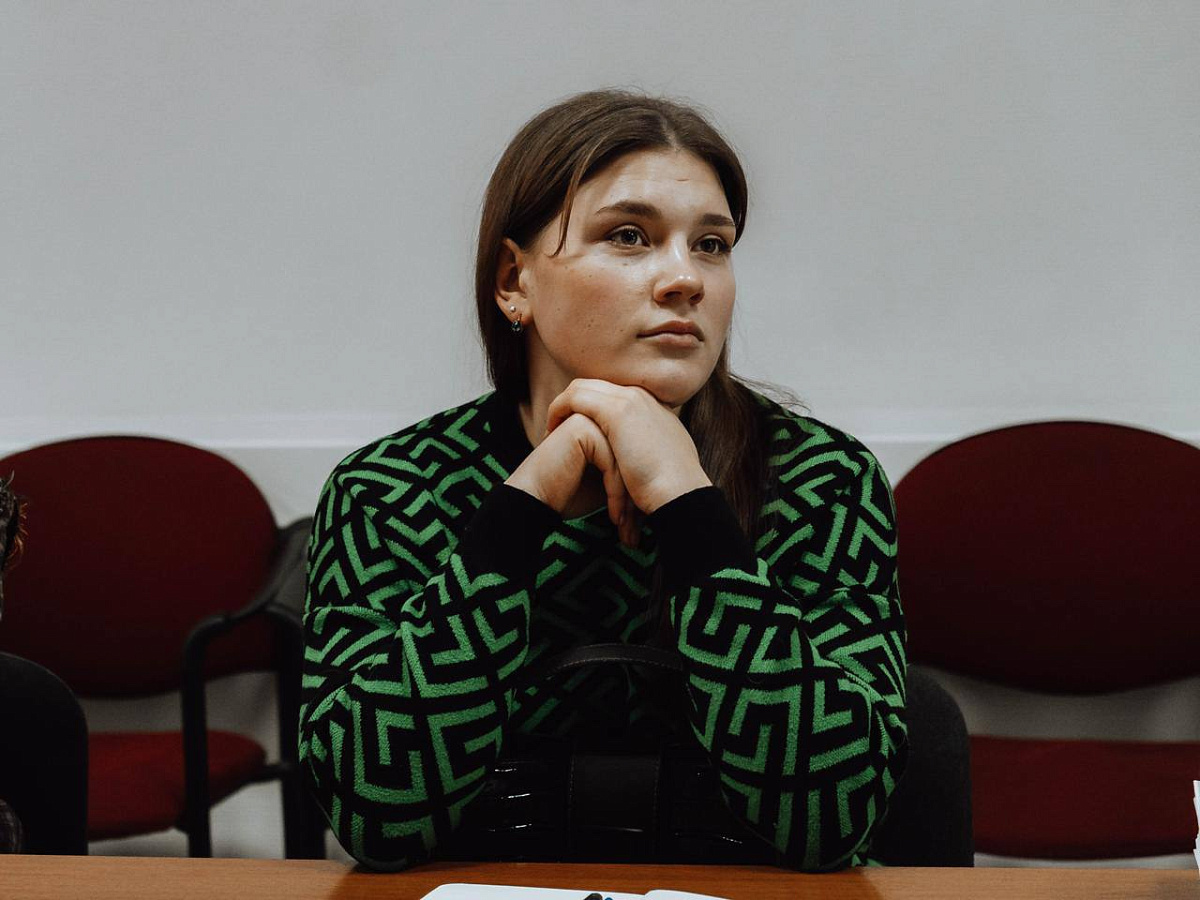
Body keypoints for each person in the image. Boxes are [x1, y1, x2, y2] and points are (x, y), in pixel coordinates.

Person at [300, 88, 907, 872]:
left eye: (712, 245)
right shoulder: (387, 490)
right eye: (629, 236)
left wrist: (689, 507)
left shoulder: (823, 481)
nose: (685, 279)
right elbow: (375, 815)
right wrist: (524, 506)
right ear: (514, 281)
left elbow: (834, 818)